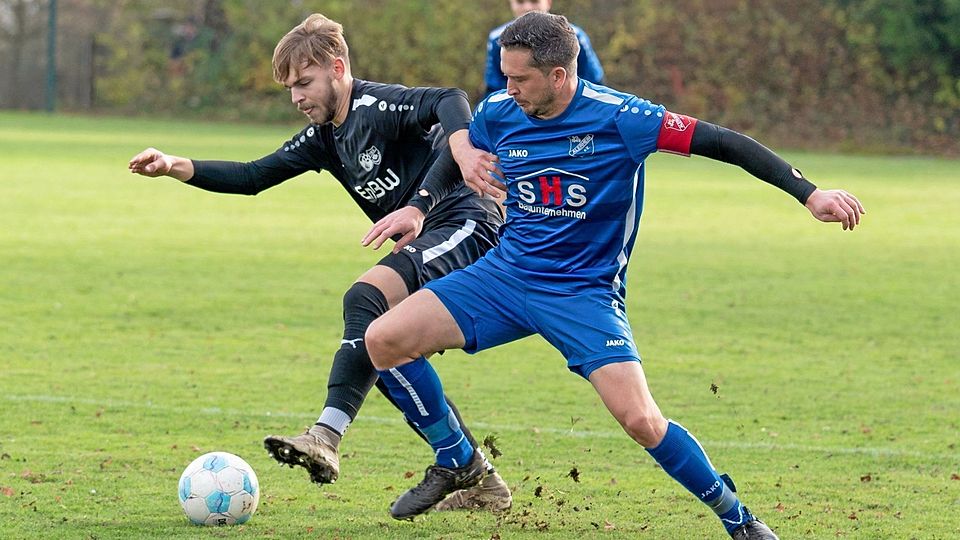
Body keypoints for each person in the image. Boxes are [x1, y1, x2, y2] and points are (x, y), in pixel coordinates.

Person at [363, 10, 864, 537]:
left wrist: (810, 194)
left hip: (583, 293)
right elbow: (460, 149)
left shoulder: (623, 117)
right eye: (505, 76)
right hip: (504, 276)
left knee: (642, 421)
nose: (507, 88)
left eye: (519, 78)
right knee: (383, 340)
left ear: (559, 75)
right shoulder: (500, 111)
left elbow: (725, 142)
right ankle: (458, 460)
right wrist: (420, 206)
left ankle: (737, 518)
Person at [127, 13, 513, 513]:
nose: (297, 97)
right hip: (428, 238)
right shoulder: (325, 138)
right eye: (289, 88)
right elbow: (252, 175)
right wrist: (177, 166)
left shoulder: (376, 104)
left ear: (337, 68)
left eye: (304, 82)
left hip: (467, 218)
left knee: (365, 300)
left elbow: (450, 100)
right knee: (382, 344)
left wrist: (457, 149)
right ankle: (471, 471)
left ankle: (328, 436)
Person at [484, 0, 604, 95]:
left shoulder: (575, 35)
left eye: (535, 1)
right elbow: (494, 86)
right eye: (520, 2)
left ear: (548, 2)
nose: (527, 7)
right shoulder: (497, 38)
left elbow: (594, 80)